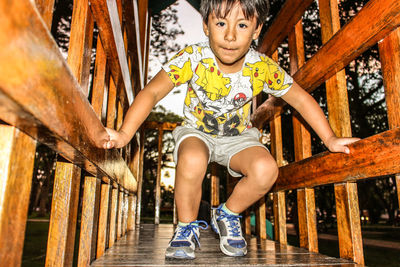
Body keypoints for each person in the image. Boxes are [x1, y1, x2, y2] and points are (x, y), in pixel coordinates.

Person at [102, 0, 359, 260]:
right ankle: (186, 226)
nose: (230, 35)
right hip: (197, 132)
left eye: (243, 24)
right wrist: (124, 133)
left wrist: (330, 138)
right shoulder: (193, 58)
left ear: (257, 29)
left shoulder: (261, 67)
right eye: (221, 23)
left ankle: (227, 213)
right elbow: (153, 91)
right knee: (192, 159)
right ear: (206, 25)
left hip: (238, 138)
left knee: (266, 169)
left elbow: (301, 99)